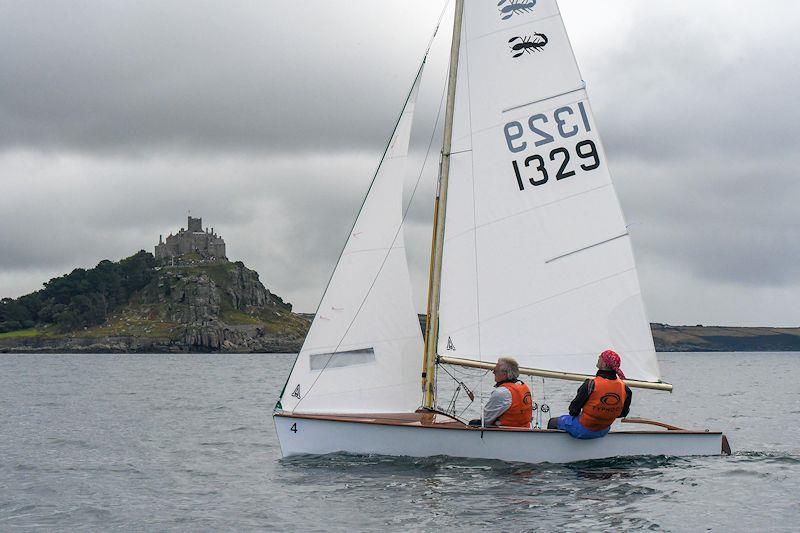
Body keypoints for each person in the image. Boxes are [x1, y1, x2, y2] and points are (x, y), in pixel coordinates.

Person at [547, 350, 632, 439]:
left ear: (604, 365)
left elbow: (573, 410)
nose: (598, 357)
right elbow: (622, 413)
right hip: (603, 431)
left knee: (553, 422)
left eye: (601, 357)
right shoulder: (625, 389)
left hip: (583, 430)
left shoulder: (591, 385)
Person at [468, 357, 532, 428]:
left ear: (504, 374)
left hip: (505, 433)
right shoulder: (523, 386)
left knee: (473, 423)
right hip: (525, 429)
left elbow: (485, 420)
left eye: (495, 370)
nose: (493, 372)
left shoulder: (501, 392)